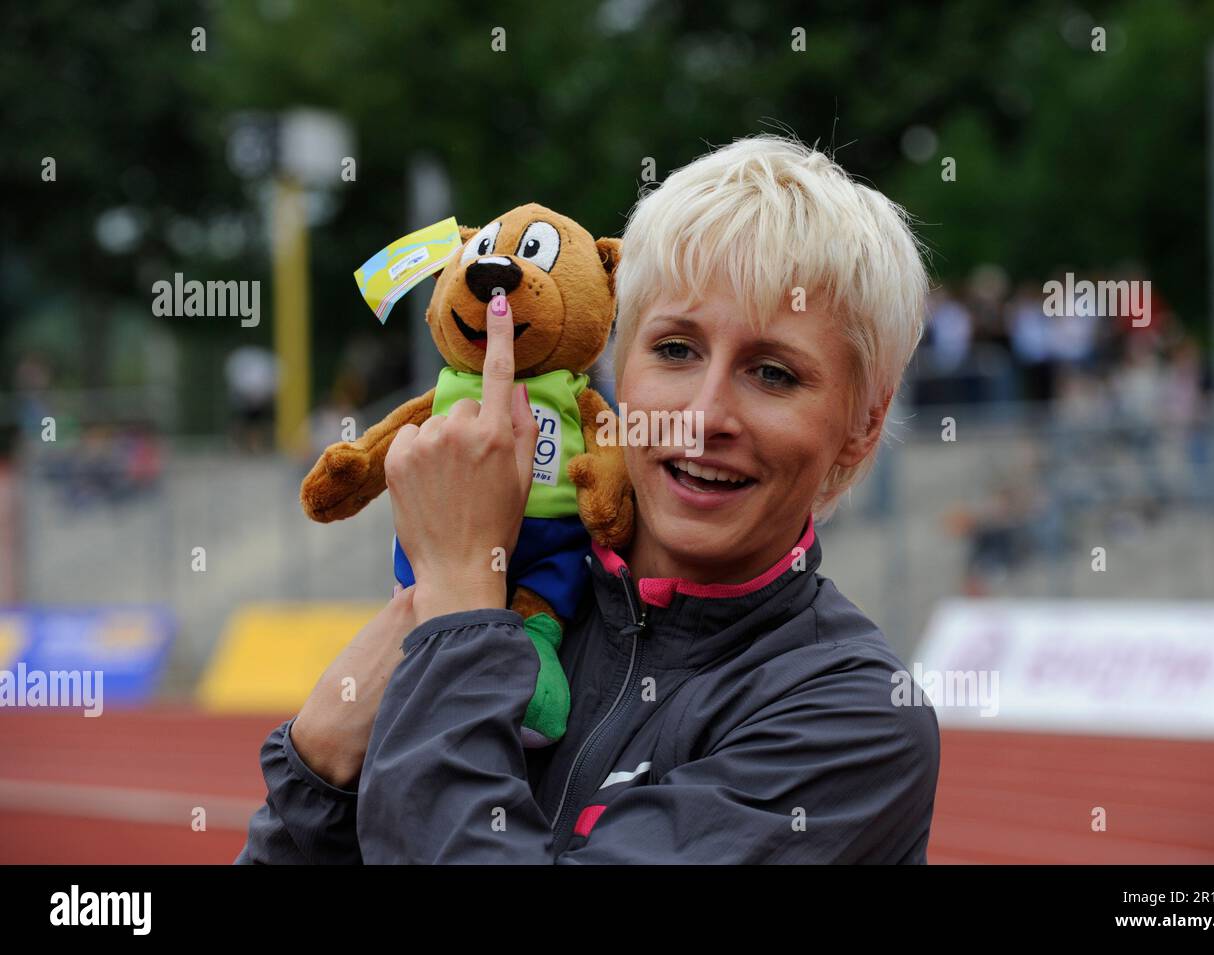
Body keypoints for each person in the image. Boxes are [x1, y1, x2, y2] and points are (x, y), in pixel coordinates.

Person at [235, 134, 940, 864]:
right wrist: (317, 776)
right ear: (616, 365)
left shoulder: (855, 719)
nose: (701, 416)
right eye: (675, 349)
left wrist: (452, 611)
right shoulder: (501, 602)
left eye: (772, 373)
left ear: (863, 426)